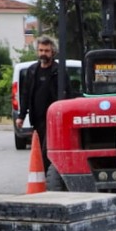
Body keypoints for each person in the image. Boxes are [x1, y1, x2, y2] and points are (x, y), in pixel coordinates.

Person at [16, 37, 72, 176]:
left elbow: (68, 92)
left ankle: (47, 177)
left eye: (46, 51)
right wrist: (21, 116)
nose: (43, 53)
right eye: (41, 50)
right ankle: (44, 176)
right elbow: (25, 94)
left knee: (47, 149)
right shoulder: (32, 71)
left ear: (53, 52)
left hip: (54, 119)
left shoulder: (59, 71)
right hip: (37, 118)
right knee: (40, 147)